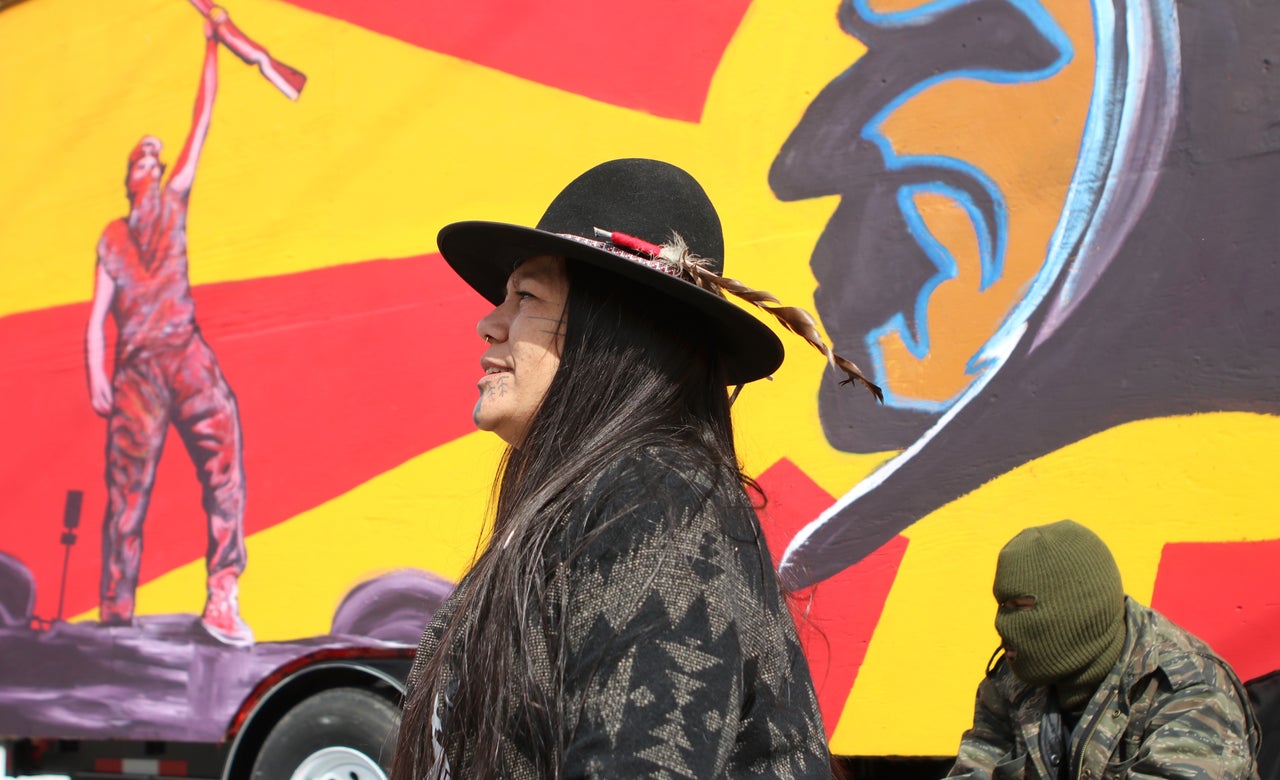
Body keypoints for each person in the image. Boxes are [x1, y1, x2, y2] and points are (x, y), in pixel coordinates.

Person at [391, 158, 882, 778]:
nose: (489, 324)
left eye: (525, 296)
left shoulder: (658, 504)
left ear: (612, 330)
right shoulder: (582, 508)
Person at [85, 20, 251, 646]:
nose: (155, 163)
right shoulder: (112, 236)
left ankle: (222, 590)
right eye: (144, 159)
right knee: (126, 490)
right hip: (137, 371)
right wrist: (97, 372)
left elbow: (201, 122)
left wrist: (213, 47)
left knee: (224, 451)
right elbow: (97, 312)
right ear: (131, 178)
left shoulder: (174, 200)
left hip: (185, 351)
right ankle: (115, 610)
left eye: (157, 158)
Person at [948, 520, 1261, 779]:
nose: (1003, 624)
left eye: (1022, 607)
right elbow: (976, 765)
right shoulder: (1011, 681)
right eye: (1003, 606)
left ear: (1076, 610)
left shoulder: (1185, 685)